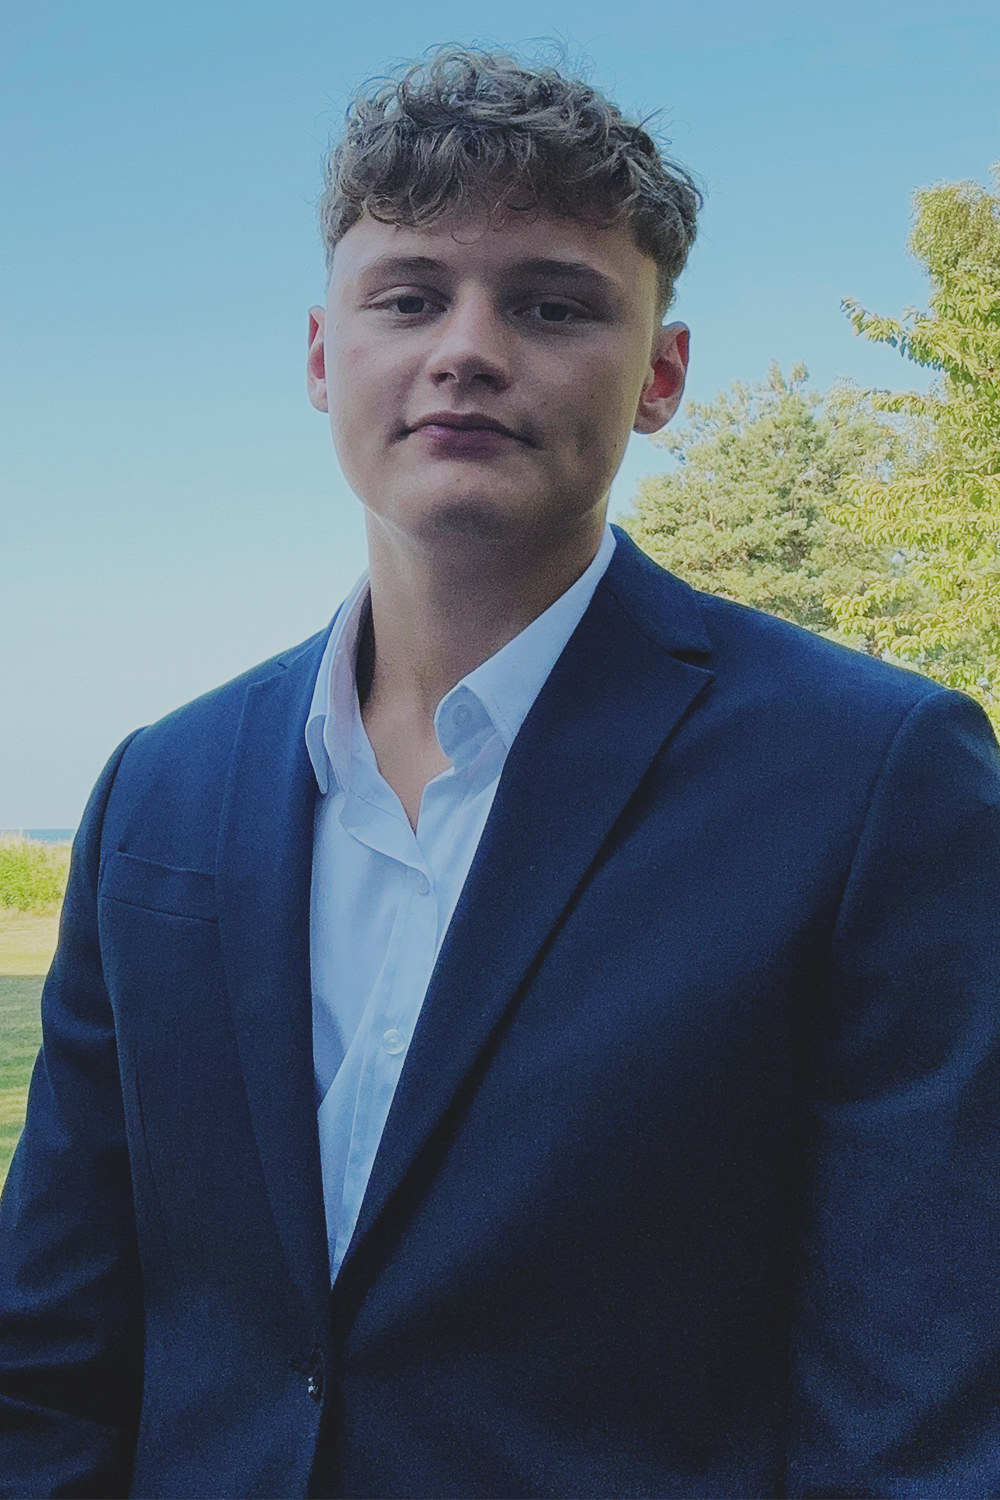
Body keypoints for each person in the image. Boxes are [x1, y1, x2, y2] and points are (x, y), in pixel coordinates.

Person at [2, 45, 1000, 1500]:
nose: (467, 347)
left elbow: (922, 1402)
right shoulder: (159, 790)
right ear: (321, 355)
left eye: (551, 302)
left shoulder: (874, 779)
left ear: (661, 375)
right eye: (409, 296)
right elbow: (51, 1353)